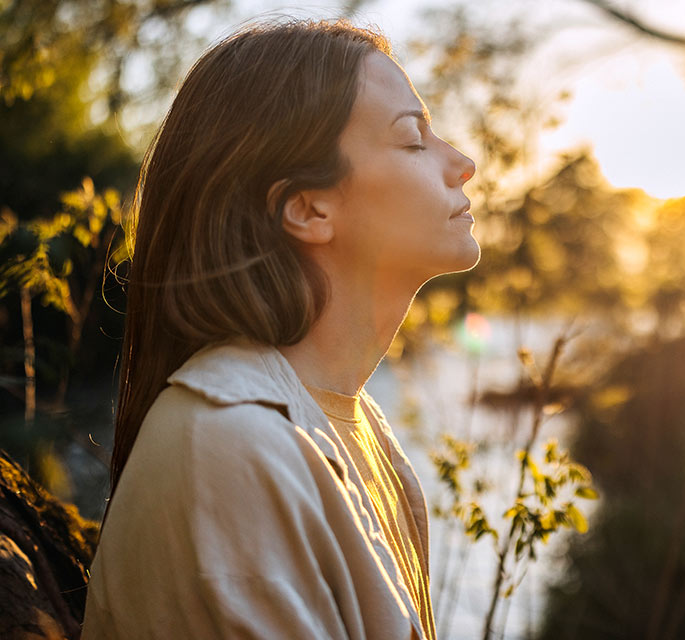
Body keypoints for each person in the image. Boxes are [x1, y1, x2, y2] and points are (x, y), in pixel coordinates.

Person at [82, 18, 477, 640]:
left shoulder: (354, 424)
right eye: (412, 140)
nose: (463, 163)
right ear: (308, 208)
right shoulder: (228, 444)